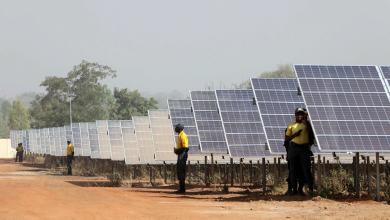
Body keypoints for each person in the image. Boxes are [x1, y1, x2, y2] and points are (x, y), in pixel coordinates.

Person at [285, 108, 314, 195]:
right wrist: (294, 135)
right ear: (295, 115)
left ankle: (310, 190)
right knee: (293, 169)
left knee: (305, 169)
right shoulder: (291, 126)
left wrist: (306, 118)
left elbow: (310, 131)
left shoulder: (307, 124)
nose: (299, 116)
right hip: (294, 148)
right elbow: (286, 139)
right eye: (298, 114)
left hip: (304, 149)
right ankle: (294, 190)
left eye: (301, 114)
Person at [173, 123, 189, 194]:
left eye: (176, 127)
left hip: (183, 155)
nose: (175, 129)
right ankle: (181, 188)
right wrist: (177, 151)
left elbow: (185, 147)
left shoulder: (183, 135)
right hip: (181, 154)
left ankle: (182, 189)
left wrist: (177, 150)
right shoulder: (179, 135)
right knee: (179, 170)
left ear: (179, 128)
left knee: (181, 170)